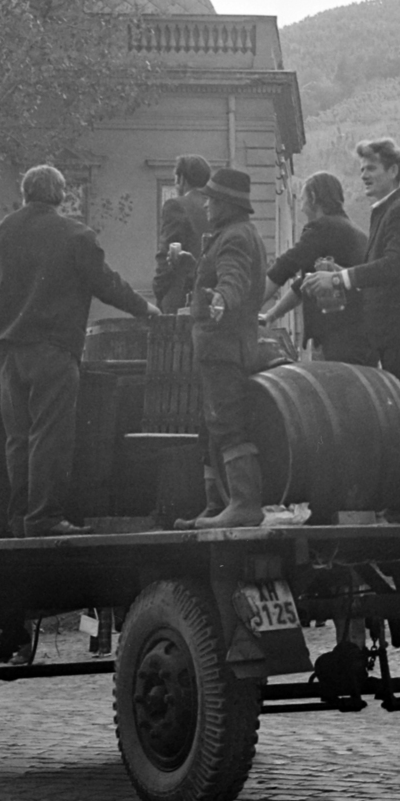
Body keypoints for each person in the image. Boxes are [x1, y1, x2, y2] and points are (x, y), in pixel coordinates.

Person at [0, 163, 160, 538]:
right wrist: (144, 308)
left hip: (6, 350)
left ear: (25, 194)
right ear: (61, 196)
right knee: (50, 435)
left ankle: (19, 520)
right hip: (53, 350)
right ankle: (44, 518)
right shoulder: (77, 235)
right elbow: (107, 284)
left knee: (17, 438)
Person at [304, 137, 400, 510]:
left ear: (394, 171)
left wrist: (341, 279)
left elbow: (396, 266)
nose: (364, 175)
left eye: (372, 168)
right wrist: (342, 276)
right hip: (394, 335)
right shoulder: (385, 212)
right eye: (361, 169)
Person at [183, 166, 270, 529]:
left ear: (227, 204)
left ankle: (243, 502)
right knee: (213, 425)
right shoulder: (236, 233)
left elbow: (233, 277)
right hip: (226, 346)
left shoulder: (233, 237)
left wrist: (221, 300)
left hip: (222, 347)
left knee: (228, 423)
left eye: (212, 200)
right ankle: (217, 502)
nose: (206, 206)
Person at [260, 171, 375, 365]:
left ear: (313, 198)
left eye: (303, 199)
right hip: (365, 339)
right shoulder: (356, 233)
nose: (302, 208)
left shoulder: (321, 228)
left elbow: (284, 267)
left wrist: (247, 307)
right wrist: (271, 315)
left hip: (339, 339)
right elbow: (304, 284)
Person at [153, 155, 212, 314]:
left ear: (182, 179)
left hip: (180, 299)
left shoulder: (176, 206)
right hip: (211, 298)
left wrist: (159, 290)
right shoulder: (215, 207)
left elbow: (168, 253)